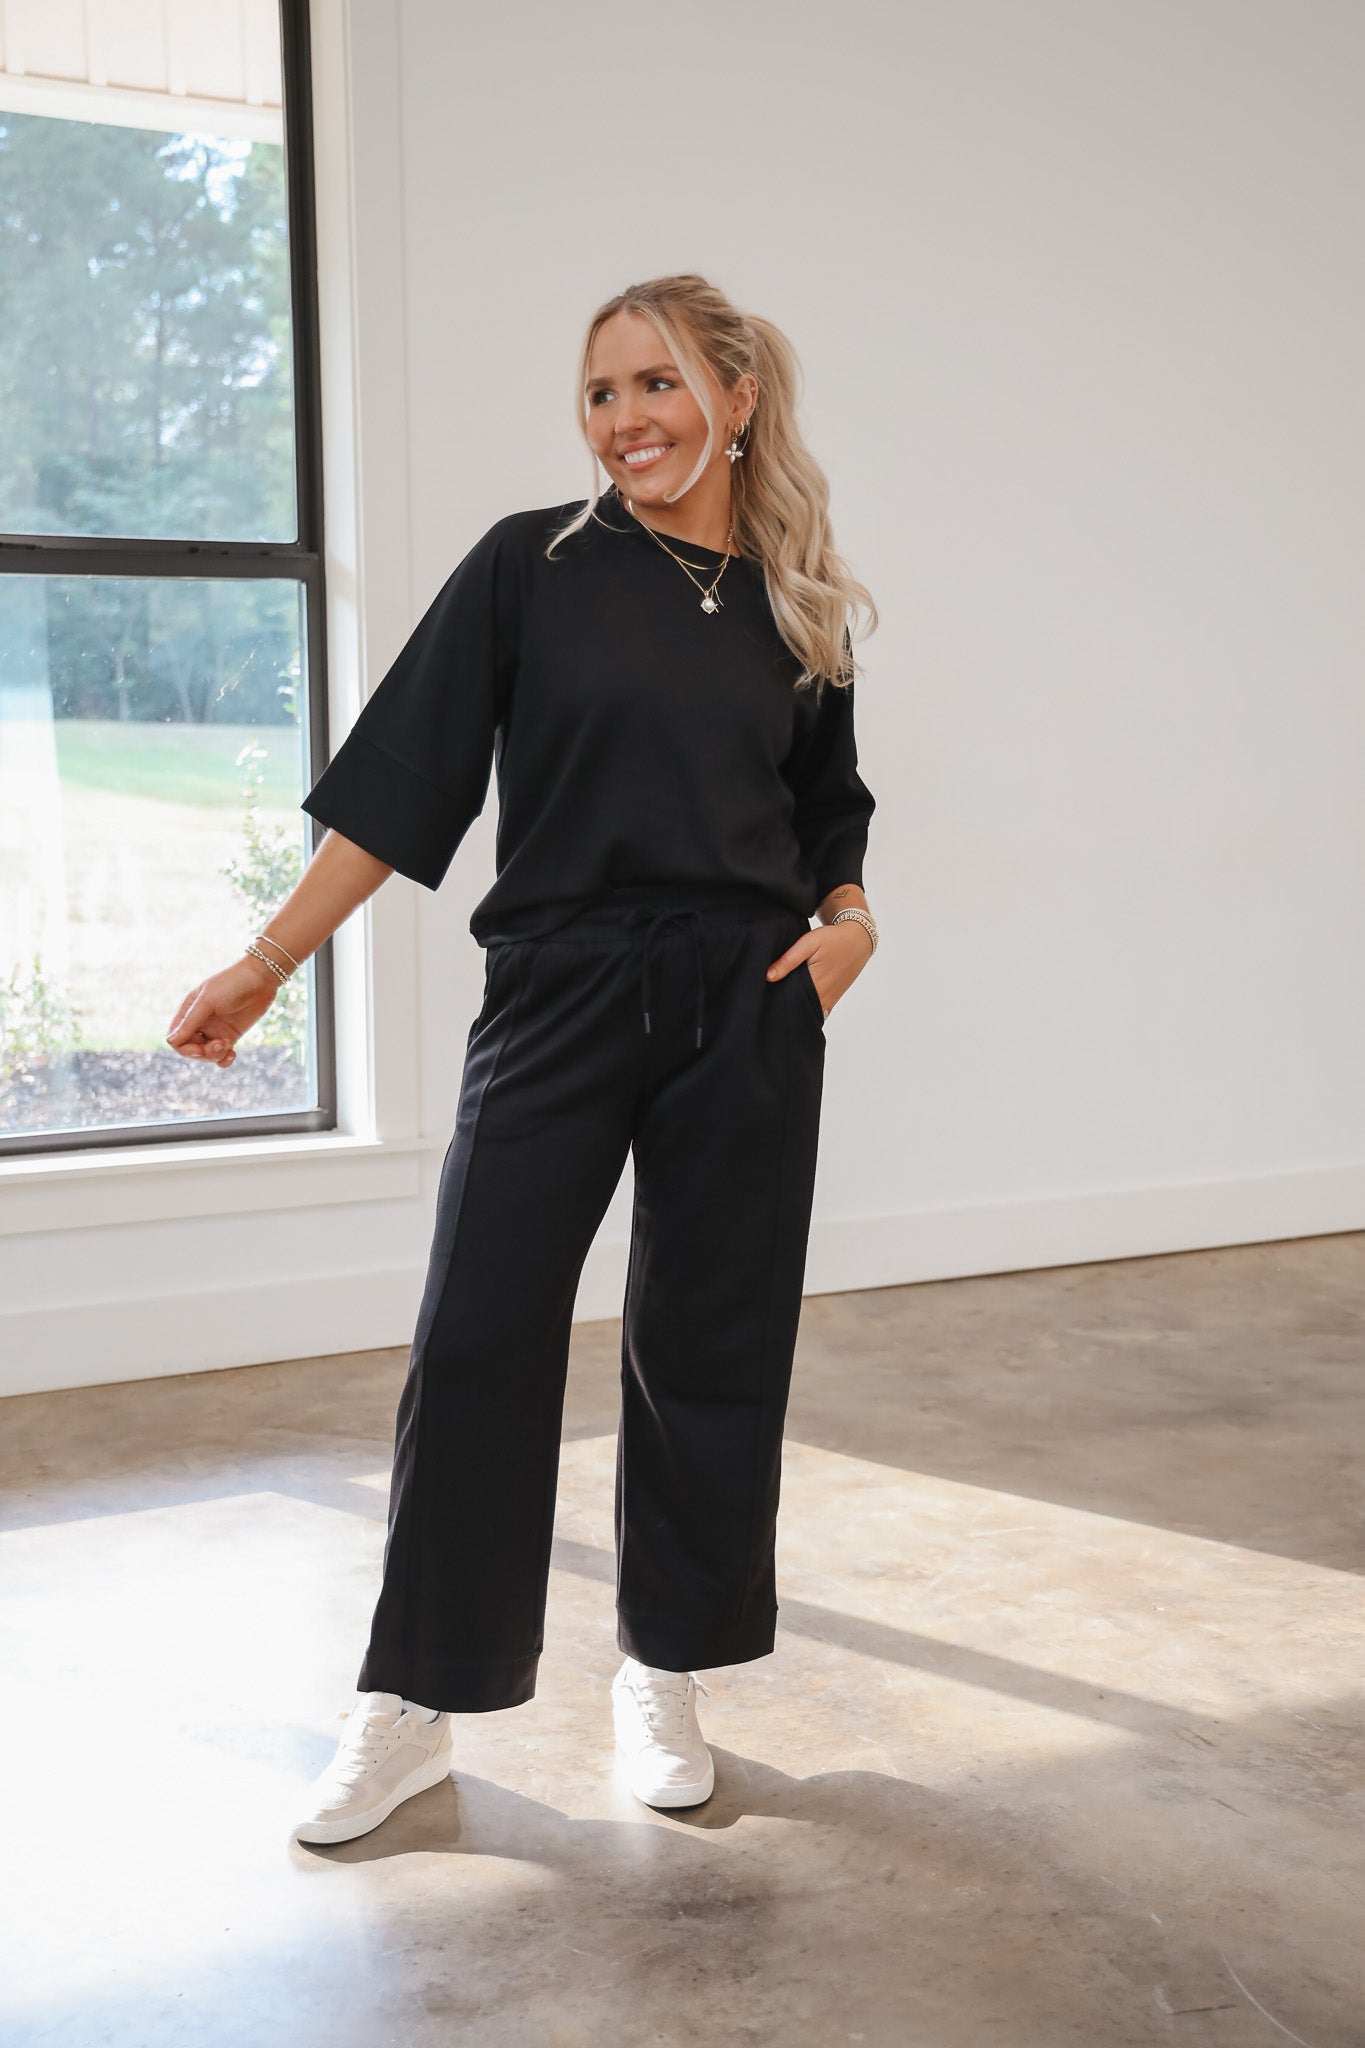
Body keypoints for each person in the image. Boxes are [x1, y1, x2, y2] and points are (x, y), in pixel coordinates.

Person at [166, 272, 879, 1846]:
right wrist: (266, 962)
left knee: (709, 1342)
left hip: (748, 1000)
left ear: (735, 397)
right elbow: (401, 785)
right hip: (561, 986)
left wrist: (847, 921)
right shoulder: (530, 566)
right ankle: (413, 1705)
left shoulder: (795, 595)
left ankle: (665, 1670)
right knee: (479, 1335)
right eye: (601, 392)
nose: (625, 419)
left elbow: (828, 805)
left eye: (656, 383)